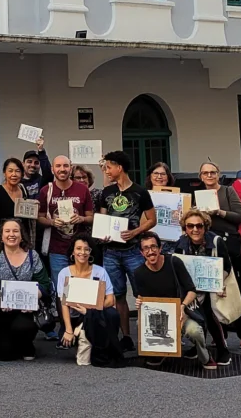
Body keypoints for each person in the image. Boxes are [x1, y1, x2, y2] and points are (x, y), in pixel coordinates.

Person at [94, 150, 156, 352]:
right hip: (111, 251)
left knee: (143, 293)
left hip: (132, 251)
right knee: (118, 295)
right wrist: (102, 234)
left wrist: (136, 231)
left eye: (109, 167)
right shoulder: (107, 192)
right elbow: (103, 218)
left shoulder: (140, 192)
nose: (107, 171)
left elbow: (152, 219)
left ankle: (148, 335)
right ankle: (126, 337)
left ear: (119, 167)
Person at [194, 162, 241, 349]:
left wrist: (219, 212)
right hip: (206, 246)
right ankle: (220, 335)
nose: (209, 176)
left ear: (218, 174)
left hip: (228, 245)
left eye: (213, 172)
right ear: (201, 176)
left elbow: (240, 217)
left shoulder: (228, 192)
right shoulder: (197, 195)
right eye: (205, 173)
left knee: (234, 291)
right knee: (210, 291)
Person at [133, 230, 214, 369]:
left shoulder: (173, 262)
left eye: (153, 247)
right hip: (159, 316)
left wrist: (182, 307)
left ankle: (205, 357)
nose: (150, 251)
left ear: (160, 248)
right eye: (146, 248)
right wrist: (139, 302)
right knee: (140, 323)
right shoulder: (139, 273)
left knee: (195, 331)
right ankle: (160, 352)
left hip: (181, 312)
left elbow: (192, 291)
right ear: (141, 253)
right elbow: (142, 297)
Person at [172, 207, 238, 366]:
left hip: (211, 285)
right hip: (191, 287)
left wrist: (220, 283)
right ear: (185, 228)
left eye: (199, 226)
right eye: (190, 226)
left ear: (205, 226)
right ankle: (198, 347)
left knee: (211, 316)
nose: (195, 229)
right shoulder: (181, 243)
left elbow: (227, 266)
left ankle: (223, 350)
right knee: (194, 315)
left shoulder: (216, 241)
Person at [0, 218, 51, 362]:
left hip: (26, 310)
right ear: (1, 236)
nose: (11, 234)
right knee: (3, 354)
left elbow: (45, 283)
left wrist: (32, 298)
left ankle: (26, 343)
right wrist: (0, 297)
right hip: (0, 310)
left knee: (23, 327)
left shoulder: (32, 256)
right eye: (7, 231)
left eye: (15, 231)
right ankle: (5, 342)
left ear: (21, 235)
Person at [56, 234, 123, 367]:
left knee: (112, 314)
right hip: (74, 317)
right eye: (79, 248)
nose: (82, 252)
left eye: (86, 249)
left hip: (96, 314)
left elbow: (111, 299)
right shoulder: (64, 273)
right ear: (73, 252)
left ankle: (100, 346)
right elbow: (63, 304)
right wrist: (68, 329)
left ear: (91, 251)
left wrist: (90, 310)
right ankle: (77, 334)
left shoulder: (100, 272)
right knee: (72, 334)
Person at [37, 154, 95, 289]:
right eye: (58, 166)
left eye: (65, 166)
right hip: (57, 249)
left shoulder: (82, 189)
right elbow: (39, 218)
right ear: (52, 169)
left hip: (80, 248)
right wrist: (51, 222)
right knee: (61, 288)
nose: (62, 169)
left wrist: (81, 219)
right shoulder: (46, 191)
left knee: (81, 287)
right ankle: (63, 311)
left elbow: (91, 218)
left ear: (71, 168)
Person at [0, 158, 33, 243]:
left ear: (22, 174)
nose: (14, 174)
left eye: (17, 171)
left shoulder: (24, 190)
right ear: (4, 173)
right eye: (10, 171)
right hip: (2, 240)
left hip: (22, 240)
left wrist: (34, 207)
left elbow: (26, 218)